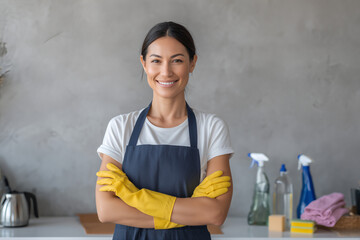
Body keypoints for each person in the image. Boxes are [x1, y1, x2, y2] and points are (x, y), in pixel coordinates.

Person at [95, 21, 234, 240]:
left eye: (177, 60)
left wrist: (135, 198)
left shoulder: (211, 127)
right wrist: (190, 211)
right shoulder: (121, 127)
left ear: (192, 63)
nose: (166, 72)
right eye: (156, 61)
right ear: (144, 64)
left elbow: (216, 213)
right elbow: (106, 210)